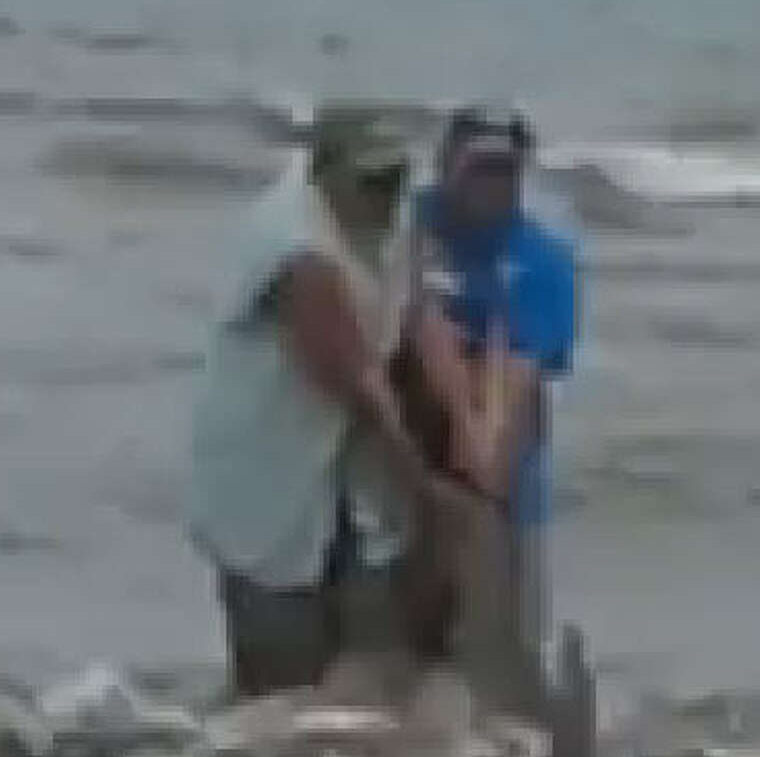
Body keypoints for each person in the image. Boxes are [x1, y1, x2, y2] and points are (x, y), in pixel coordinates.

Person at [188, 107, 463, 697]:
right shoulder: (299, 251)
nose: (384, 196)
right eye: (369, 183)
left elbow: (416, 317)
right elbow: (353, 381)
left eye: (394, 179)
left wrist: (464, 422)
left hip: (347, 480)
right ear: (323, 174)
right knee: (282, 670)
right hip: (271, 477)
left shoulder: (396, 221)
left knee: (368, 665)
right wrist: (424, 495)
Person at [396, 108, 578, 677]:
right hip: (402, 484)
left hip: (501, 489)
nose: (492, 185)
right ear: (446, 164)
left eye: (505, 172)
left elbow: (522, 380)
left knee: (503, 663)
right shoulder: (407, 230)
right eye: (478, 169)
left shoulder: (543, 262)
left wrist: (483, 460)